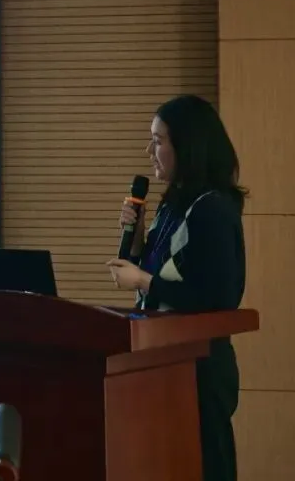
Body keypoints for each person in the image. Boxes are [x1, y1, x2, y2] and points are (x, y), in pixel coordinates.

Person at [106, 95, 246, 481]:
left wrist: (142, 280)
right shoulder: (173, 204)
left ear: (187, 146)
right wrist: (137, 241)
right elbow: (164, 274)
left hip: (199, 369)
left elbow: (217, 299)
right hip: (162, 362)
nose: (148, 151)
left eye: (158, 141)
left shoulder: (212, 209)